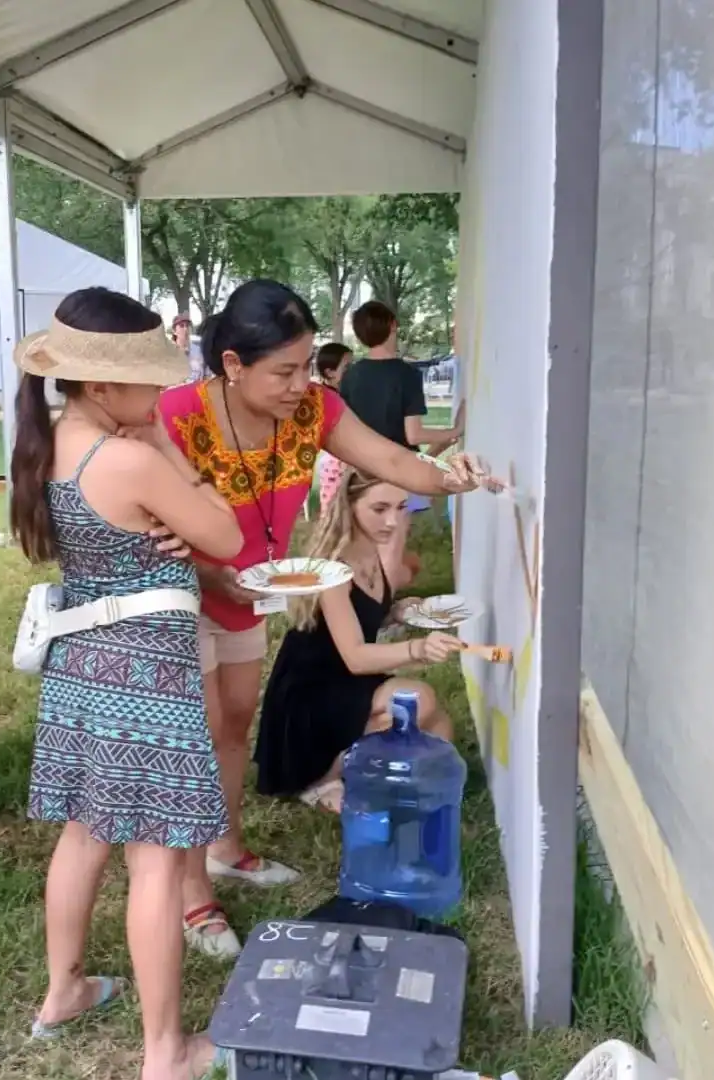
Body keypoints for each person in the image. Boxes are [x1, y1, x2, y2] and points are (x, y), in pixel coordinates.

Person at [159, 279, 485, 960]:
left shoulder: (313, 409)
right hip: (182, 590)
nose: (300, 383)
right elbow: (144, 516)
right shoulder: (178, 415)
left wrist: (451, 475)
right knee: (194, 737)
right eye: (283, 370)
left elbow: (392, 459)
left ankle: (225, 848)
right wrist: (207, 573)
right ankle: (194, 900)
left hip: (251, 591)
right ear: (233, 366)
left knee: (235, 720)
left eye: (306, 365)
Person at [11, 288, 241, 1080]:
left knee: (83, 834)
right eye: (149, 381)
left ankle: (63, 992)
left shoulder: (51, 445)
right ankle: (167, 1051)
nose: (162, 395)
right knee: (156, 857)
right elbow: (227, 535)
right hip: (147, 672)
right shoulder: (135, 457)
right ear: (102, 386)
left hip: (80, 669)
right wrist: (175, 464)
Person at [254, 470, 459, 813]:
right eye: (379, 509)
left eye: (401, 507)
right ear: (350, 506)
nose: (393, 521)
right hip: (312, 692)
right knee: (418, 700)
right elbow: (355, 657)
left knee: (441, 729)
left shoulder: (372, 552)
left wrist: (396, 612)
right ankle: (319, 779)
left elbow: (362, 615)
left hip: (346, 680)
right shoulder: (333, 569)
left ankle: (387, 777)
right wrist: (417, 649)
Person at [340, 300, 464, 586]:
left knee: (363, 547)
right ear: (393, 326)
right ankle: (382, 614)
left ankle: (366, 603)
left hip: (358, 474)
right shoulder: (406, 376)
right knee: (392, 546)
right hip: (396, 475)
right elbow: (414, 435)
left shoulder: (350, 376)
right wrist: (454, 430)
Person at [315, 342, 353, 512]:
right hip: (334, 463)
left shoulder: (347, 394)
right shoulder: (325, 398)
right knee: (333, 513)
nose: (352, 371)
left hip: (350, 461)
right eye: (347, 367)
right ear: (330, 372)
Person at [171, 313, 205, 381]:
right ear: (174, 331)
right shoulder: (169, 352)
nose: (185, 329)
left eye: (187, 326)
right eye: (181, 326)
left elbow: (207, 375)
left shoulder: (199, 351)